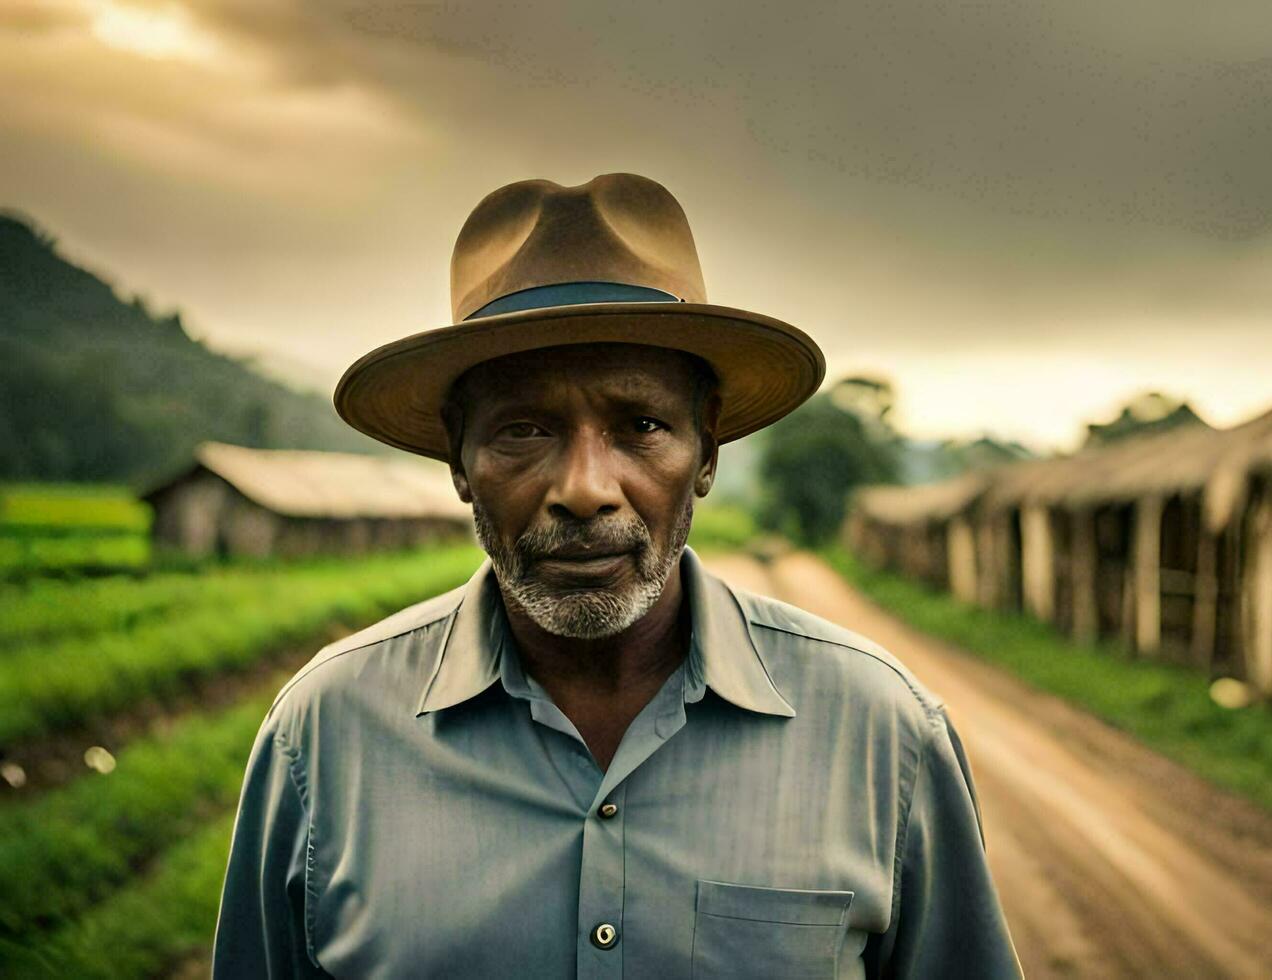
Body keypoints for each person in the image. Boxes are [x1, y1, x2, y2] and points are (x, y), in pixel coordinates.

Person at [211, 173, 1022, 977]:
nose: (585, 490)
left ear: (706, 450)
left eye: (641, 424)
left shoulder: (883, 733)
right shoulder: (323, 737)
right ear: (460, 458)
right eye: (524, 429)